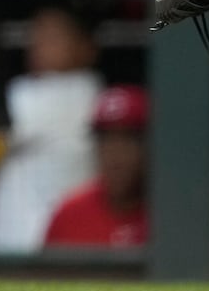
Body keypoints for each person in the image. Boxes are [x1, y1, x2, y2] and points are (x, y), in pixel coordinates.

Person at [0, 6, 104, 254]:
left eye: (53, 37)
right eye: (37, 36)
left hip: (65, 227)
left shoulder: (90, 94)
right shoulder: (21, 93)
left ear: (86, 47)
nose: (40, 44)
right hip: (16, 224)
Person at [43, 85, 149, 249]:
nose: (116, 153)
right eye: (106, 140)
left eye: (129, 139)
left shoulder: (174, 215)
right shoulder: (69, 214)